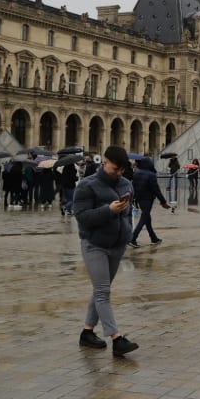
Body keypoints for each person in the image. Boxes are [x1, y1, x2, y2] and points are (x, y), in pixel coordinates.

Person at [73, 145, 139, 357]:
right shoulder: (86, 185)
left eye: (122, 169)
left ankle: (87, 332)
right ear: (105, 161)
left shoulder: (127, 184)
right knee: (103, 292)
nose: (118, 173)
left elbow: (128, 214)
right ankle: (116, 338)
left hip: (117, 245)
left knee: (100, 290)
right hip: (95, 244)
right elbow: (82, 216)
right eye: (115, 168)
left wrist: (127, 232)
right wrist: (108, 210)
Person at [129, 157, 169, 247]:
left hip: (139, 199)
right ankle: (133, 238)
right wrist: (163, 202)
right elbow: (156, 190)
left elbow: (133, 187)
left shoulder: (136, 173)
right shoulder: (151, 175)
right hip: (148, 199)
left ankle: (153, 238)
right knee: (144, 217)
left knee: (147, 218)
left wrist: (134, 198)